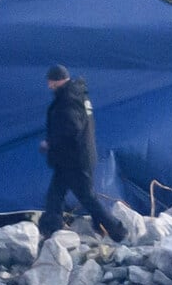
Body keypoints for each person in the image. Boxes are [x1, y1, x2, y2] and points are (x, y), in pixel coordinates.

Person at [38, 65, 127, 241]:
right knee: (55, 194)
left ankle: (117, 231)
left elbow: (71, 128)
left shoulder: (68, 100)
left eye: (51, 82)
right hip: (70, 158)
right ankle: (51, 230)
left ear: (58, 80)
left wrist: (50, 142)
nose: (49, 86)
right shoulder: (79, 96)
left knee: (87, 197)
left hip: (75, 160)